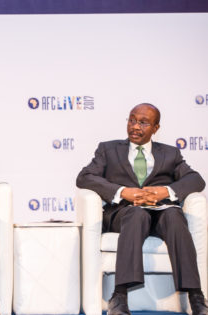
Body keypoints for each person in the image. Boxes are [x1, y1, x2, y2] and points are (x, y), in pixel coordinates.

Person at [76, 103, 208, 315]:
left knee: (175, 215)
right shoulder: (108, 150)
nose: (135, 127)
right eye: (132, 120)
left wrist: (165, 191)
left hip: (161, 212)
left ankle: (196, 296)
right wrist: (121, 191)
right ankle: (119, 296)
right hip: (124, 213)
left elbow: (196, 180)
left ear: (156, 128)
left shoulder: (170, 153)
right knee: (136, 214)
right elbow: (85, 177)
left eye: (143, 123)